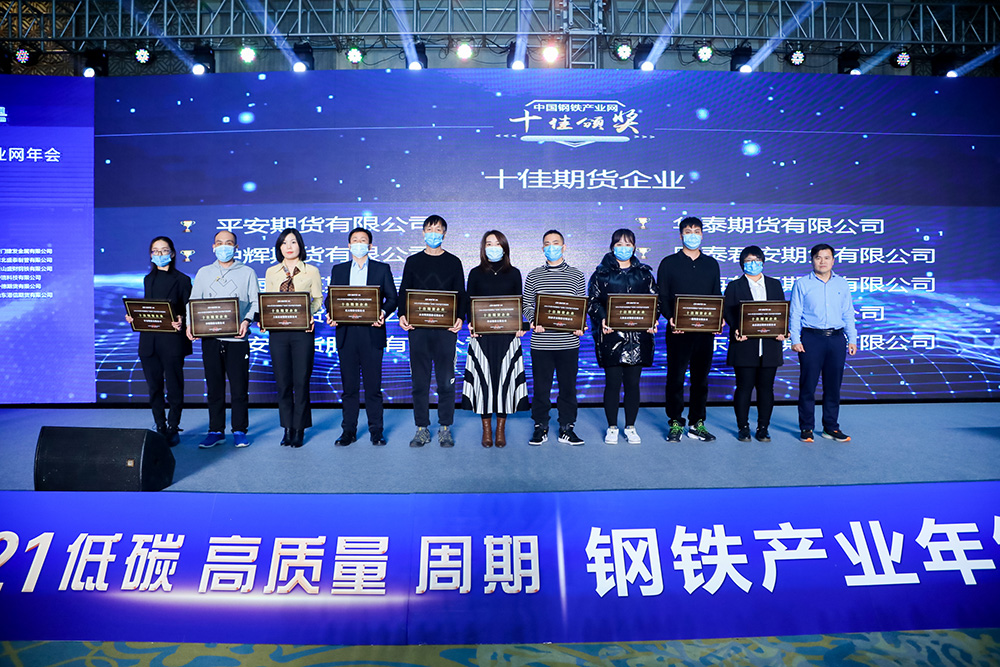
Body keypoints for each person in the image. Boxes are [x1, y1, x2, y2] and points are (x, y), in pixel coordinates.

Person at [398, 215, 468, 448]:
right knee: (420, 382)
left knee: (446, 382)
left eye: (438, 229)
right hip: (418, 330)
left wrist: (460, 317)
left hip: (446, 331)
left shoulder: (454, 262)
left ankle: (445, 427)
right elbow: (404, 292)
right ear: (423, 232)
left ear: (444, 234)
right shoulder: (413, 261)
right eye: (430, 229)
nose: (434, 233)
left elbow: (461, 294)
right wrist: (402, 314)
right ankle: (421, 428)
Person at [187, 230, 259, 449]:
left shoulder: (247, 272)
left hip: (237, 340)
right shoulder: (204, 272)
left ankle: (239, 430)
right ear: (213, 247)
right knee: (214, 387)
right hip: (210, 339)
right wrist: (191, 324)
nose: (223, 247)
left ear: (236, 247)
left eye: (228, 243)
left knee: (239, 388)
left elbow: (256, 303)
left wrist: (246, 321)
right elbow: (193, 302)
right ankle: (215, 430)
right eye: (219, 243)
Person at [328, 227, 398, 447]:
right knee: (349, 388)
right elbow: (331, 299)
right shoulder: (339, 270)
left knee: (373, 388)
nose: (359, 243)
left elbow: (392, 298)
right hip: (347, 334)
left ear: (370, 246)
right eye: (355, 240)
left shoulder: (381, 269)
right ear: (349, 245)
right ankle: (348, 431)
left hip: (372, 334)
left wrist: (382, 313)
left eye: (363, 240)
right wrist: (331, 314)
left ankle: (376, 431)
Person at [588, 229, 658, 445]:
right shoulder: (601, 274)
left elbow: (655, 301)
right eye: (619, 244)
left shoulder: (644, 274)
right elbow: (593, 302)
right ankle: (611, 427)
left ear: (634, 247)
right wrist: (603, 319)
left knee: (633, 384)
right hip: (611, 337)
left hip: (638, 337)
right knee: (612, 383)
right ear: (612, 247)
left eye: (628, 244)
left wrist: (653, 320)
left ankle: (630, 427)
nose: (624, 248)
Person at [657, 216, 722, 442]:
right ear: (681, 235)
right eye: (688, 231)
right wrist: (671, 318)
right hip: (678, 331)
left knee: (700, 380)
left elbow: (716, 296)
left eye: (696, 231)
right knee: (675, 378)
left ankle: (697, 423)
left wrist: (718, 320)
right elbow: (663, 296)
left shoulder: (711, 264)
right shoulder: (669, 263)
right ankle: (675, 421)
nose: (692, 235)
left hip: (705, 333)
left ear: (702, 234)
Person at [462, 230, 529, 448]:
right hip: (482, 336)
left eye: (497, 244)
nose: (493, 247)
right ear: (483, 248)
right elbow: (468, 303)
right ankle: (486, 430)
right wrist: (471, 323)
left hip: (507, 337)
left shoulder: (514, 273)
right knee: (483, 382)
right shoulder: (475, 273)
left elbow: (519, 303)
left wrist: (519, 326)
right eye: (489, 244)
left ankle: (500, 429)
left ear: (505, 247)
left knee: (504, 382)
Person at [522, 230, 586, 446]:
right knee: (541, 388)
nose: (552, 247)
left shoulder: (577, 275)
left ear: (564, 247)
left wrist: (580, 325)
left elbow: (580, 306)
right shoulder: (534, 275)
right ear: (543, 248)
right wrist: (533, 320)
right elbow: (527, 304)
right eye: (547, 244)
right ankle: (540, 426)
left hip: (569, 343)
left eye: (556, 243)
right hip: (541, 343)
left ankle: (567, 427)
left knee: (568, 388)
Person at [125, 236, 191, 446]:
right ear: (151, 254)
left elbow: (188, 309)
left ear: (172, 253)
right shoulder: (148, 279)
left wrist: (182, 319)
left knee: (174, 387)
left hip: (172, 341)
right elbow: (148, 310)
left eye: (164, 250)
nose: (160, 254)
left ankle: (173, 426)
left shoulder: (182, 280)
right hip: (149, 342)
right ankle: (160, 425)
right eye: (155, 250)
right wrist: (134, 317)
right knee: (154, 388)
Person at [790, 243, 858, 443]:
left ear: (833, 260)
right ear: (812, 260)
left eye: (826, 257)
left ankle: (831, 427)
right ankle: (807, 427)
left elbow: (848, 312)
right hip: (811, 338)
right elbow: (795, 313)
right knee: (808, 385)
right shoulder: (802, 284)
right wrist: (795, 339)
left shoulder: (842, 284)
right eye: (818, 257)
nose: (822, 261)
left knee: (833, 386)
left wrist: (852, 338)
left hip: (837, 339)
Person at [263, 228, 323, 448]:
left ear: (300, 246)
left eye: (293, 242)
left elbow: (318, 300)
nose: (289, 247)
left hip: (302, 333)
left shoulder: (311, 271)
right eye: (284, 243)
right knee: (283, 383)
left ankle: (299, 428)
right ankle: (287, 427)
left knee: (301, 381)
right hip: (278, 333)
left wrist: (309, 314)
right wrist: (264, 318)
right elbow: (268, 301)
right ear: (279, 248)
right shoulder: (271, 272)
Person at [723, 245, 786, 443]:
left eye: (757, 260)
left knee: (766, 389)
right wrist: (736, 328)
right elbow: (728, 311)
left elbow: (781, 312)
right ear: (742, 264)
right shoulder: (734, 286)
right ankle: (743, 427)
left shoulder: (774, 284)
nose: (753, 264)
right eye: (749, 261)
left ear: (763, 262)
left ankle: (763, 427)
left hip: (770, 345)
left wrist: (783, 330)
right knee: (744, 387)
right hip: (744, 345)